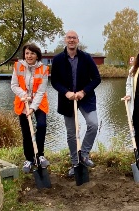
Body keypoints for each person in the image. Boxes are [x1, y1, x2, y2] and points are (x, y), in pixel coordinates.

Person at [51, 30, 101, 177]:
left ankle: (84, 155)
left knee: (93, 124)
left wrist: (83, 92)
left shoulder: (86, 58)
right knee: (72, 133)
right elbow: (54, 81)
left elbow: (97, 78)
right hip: (67, 100)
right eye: (69, 38)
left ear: (78, 40)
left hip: (86, 98)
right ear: (65, 40)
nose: (71, 40)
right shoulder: (58, 59)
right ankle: (75, 163)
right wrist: (66, 92)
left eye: (74, 38)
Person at [11, 43, 50, 173]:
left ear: (37, 55)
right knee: (26, 132)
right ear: (24, 55)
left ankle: (40, 155)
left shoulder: (44, 69)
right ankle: (29, 159)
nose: (29, 56)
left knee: (42, 126)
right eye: (27, 53)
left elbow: (41, 91)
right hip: (23, 102)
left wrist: (33, 107)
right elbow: (14, 85)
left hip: (39, 103)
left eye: (32, 53)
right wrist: (24, 95)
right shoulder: (17, 66)